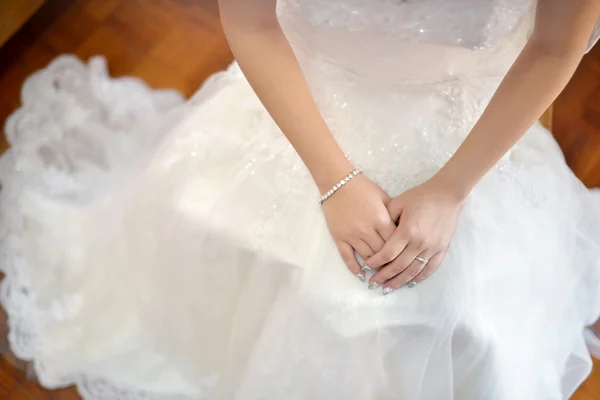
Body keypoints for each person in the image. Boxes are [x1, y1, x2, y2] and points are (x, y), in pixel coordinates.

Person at [1, 0, 600, 398]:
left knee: (463, 320)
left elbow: (553, 49)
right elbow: (253, 24)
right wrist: (335, 179)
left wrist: (450, 189)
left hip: (469, 136)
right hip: (301, 112)